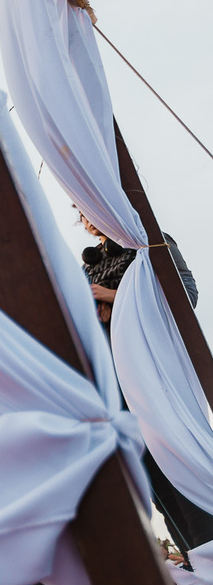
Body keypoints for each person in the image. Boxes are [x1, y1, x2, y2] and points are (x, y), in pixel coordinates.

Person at [79, 214, 213, 560]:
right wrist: (95, 311)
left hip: (154, 372)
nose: (85, 217)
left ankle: (209, 552)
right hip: (116, 382)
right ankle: (196, 562)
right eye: (79, 211)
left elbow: (185, 295)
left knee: (179, 459)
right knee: (154, 483)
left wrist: (113, 296)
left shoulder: (149, 241)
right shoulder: (87, 266)